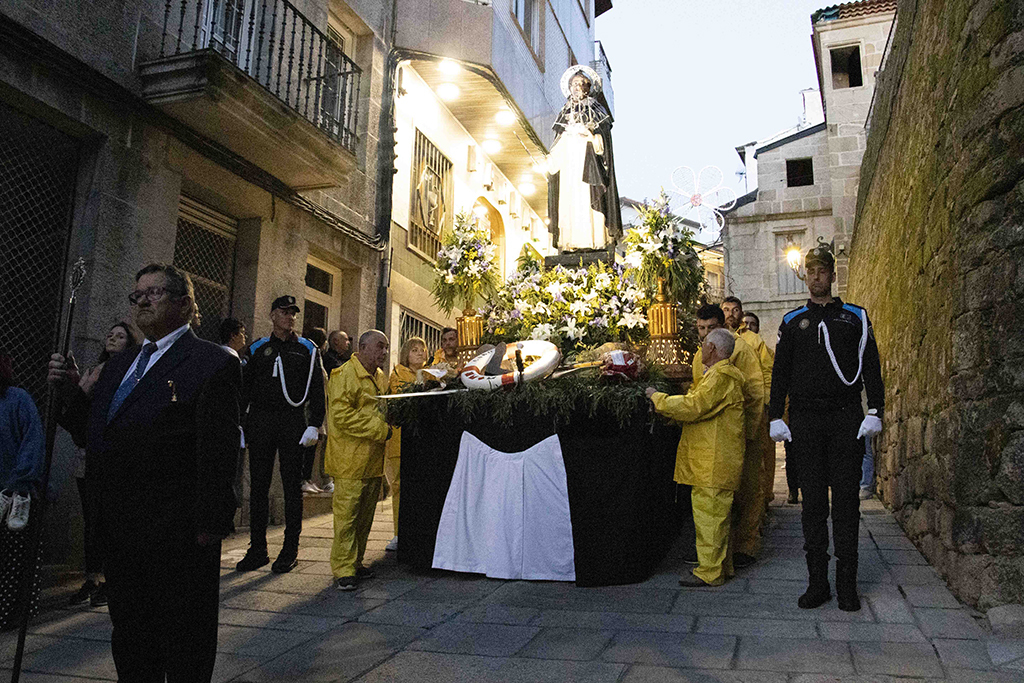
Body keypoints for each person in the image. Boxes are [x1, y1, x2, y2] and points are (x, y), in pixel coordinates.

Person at [49, 263, 240, 679]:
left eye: (154, 293)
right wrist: (70, 392)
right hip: (121, 526)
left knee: (184, 640)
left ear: (185, 304)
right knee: (132, 636)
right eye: (137, 294)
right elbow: (96, 435)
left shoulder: (211, 362)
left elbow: (219, 452)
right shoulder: (121, 364)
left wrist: (211, 522)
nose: (142, 300)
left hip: (177, 529)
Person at [768, 242, 884, 612]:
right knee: (813, 504)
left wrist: (875, 409)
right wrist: (775, 415)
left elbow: (871, 367)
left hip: (845, 418)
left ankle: (846, 584)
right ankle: (817, 582)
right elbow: (780, 373)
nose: (817, 277)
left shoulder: (855, 317)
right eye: (812, 272)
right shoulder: (791, 322)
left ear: (833, 276)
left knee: (847, 502)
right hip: (805, 420)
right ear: (806, 277)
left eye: (823, 271)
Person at [646, 329, 745, 588]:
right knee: (717, 517)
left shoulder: (721, 376)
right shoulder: (717, 376)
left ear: (711, 349)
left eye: (703, 344)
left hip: (713, 462)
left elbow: (695, 406)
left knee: (710, 518)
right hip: (712, 460)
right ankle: (722, 567)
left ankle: (709, 572)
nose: (701, 349)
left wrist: (657, 398)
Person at [236, 296, 325, 574]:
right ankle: (257, 549)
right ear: (272, 315)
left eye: (293, 313)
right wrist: (240, 424)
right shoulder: (258, 348)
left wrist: (315, 423)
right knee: (259, 487)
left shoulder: (307, 349)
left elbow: (317, 389)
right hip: (261, 422)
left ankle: (289, 549)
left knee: (291, 488)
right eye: (284, 312)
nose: (290, 317)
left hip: (292, 423)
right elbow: (243, 390)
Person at [691, 304, 766, 569]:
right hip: (714, 436)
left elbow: (756, 391)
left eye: (711, 328)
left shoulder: (740, 348)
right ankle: (721, 551)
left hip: (738, 432)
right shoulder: (702, 353)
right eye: (701, 329)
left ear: (721, 325)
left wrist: (750, 432)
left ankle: (746, 545)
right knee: (721, 500)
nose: (705, 334)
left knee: (747, 491)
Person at [69, 321, 138, 607]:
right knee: (91, 521)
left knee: (111, 520)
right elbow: (75, 418)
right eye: (110, 334)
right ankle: (92, 577)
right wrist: (79, 391)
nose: (112, 337)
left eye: (120, 335)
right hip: (88, 454)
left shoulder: (130, 373)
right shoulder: (92, 372)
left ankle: (111, 579)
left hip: (114, 457)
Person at [326, 330, 391, 591]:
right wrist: (380, 430)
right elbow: (342, 416)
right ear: (362, 347)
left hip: (372, 461)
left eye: (385, 347)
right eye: (379, 347)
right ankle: (343, 568)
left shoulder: (380, 377)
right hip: (349, 461)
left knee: (364, 518)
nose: (384, 352)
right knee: (347, 519)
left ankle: (356, 561)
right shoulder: (344, 375)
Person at [547, 65, 622, 251]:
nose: (577, 88)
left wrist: (590, 137)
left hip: (589, 168)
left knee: (587, 202)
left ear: (589, 87)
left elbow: (604, 143)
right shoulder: (564, 113)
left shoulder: (598, 111)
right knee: (569, 202)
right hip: (569, 170)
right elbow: (558, 144)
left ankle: (593, 240)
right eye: (574, 84)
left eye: (582, 84)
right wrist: (552, 158)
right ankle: (572, 242)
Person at [0, 349, 46, 631]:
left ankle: (11, 613)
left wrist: (19, 483)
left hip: (14, 493)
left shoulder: (18, 399)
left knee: (13, 560)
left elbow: (32, 442)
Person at [724, 296, 776, 513]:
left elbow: (767, 371)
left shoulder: (753, 341)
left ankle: (761, 503)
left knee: (759, 459)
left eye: (735, 310)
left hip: (754, 406)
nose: (730, 314)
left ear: (741, 314)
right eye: (726, 309)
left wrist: (765, 401)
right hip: (728, 410)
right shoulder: (715, 337)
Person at [384, 337, 427, 552]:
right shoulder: (398, 374)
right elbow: (405, 398)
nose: (419, 354)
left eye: (422, 350)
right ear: (405, 354)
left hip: (421, 439)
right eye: (414, 350)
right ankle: (398, 533)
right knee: (399, 487)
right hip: (399, 440)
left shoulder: (431, 373)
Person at [300, 327, 329, 495]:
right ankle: (304, 479)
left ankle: (308, 478)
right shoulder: (312, 354)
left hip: (316, 409)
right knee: (309, 446)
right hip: (310, 410)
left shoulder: (316, 356)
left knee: (313, 445)